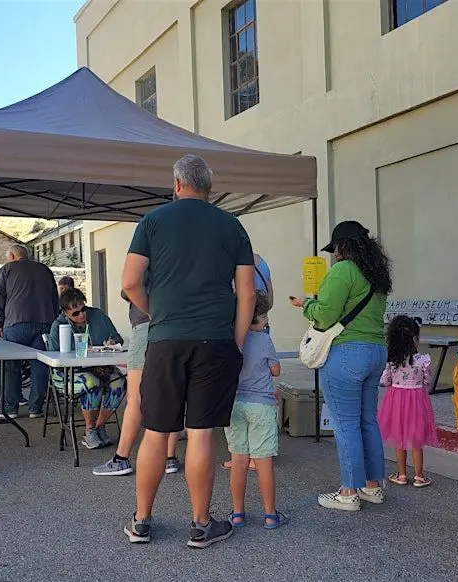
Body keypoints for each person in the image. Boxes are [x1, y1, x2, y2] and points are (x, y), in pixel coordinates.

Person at [121, 154, 254, 548]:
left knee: (157, 432)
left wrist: (158, 311)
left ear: (177, 184)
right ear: (209, 188)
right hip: (215, 340)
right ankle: (200, 524)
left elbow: (130, 282)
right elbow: (246, 292)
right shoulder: (232, 226)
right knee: (200, 434)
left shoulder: (153, 221)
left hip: (164, 340)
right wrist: (238, 338)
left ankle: (142, 521)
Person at [290, 220, 390, 511]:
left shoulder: (343, 271)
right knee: (367, 420)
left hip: (347, 352)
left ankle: (348, 493)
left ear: (342, 247)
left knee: (345, 424)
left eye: (335, 249)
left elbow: (325, 315)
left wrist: (305, 304)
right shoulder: (377, 275)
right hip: (375, 351)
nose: (333, 254)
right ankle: (373, 487)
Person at [92, 290, 181, 476]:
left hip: (145, 325)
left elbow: (129, 287)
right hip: (175, 326)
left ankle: (122, 458)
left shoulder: (147, 259)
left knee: (136, 397)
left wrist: (149, 311)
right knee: (172, 394)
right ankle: (169, 457)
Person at [225, 294, 288, 530]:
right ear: (254, 318)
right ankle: (270, 514)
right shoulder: (264, 340)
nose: (266, 321)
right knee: (263, 461)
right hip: (261, 405)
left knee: (238, 459)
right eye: (263, 316)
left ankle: (238, 513)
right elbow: (275, 370)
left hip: (235, 404)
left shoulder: (233, 338)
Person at [48, 287, 125, 449]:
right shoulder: (59, 326)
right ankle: (90, 429)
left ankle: (99, 426)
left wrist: (112, 343)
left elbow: (117, 339)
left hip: (100, 367)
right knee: (91, 383)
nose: (81, 314)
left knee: (119, 383)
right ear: (65, 313)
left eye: (83, 309)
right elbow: (54, 356)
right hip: (69, 372)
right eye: (75, 313)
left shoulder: (97, 316)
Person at [0, 244, 59, 419]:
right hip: (44, 322)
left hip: (15, 323)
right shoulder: (44, 269)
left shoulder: (7, 269)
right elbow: (54, 298)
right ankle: (35, 408)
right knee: (40, 365)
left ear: (12, 256)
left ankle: (10, 409)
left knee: (11, 366)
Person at [223, 250, 273, 473]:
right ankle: (258, 454)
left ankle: (239, 456)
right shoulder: (262, 262)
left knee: (239, 380)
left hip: (240, 326)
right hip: (261, 324)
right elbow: (269, 299)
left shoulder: (229, 259)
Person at [378, 315, 437, 488]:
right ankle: (419, 476)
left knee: (399, 437)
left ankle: (401, 475)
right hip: (417, 400)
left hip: (396, 400)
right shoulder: (423, 360)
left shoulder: (392, 360)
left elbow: (384, 381)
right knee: (416, 439)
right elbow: (427, 381)